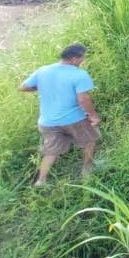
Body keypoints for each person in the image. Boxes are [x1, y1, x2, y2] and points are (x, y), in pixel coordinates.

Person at [20, 43, 101, 186]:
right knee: (90, 141)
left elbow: (23, 87)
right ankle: (87, 170)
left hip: (47, 121)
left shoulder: (43, 70)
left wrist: (44, 88)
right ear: (75, 59)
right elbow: (83, 99)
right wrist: (93, 115)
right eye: (83, 58)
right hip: (74, 119)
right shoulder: (79, 74)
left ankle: (41, 181)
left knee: (50, 152)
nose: (83, 61)